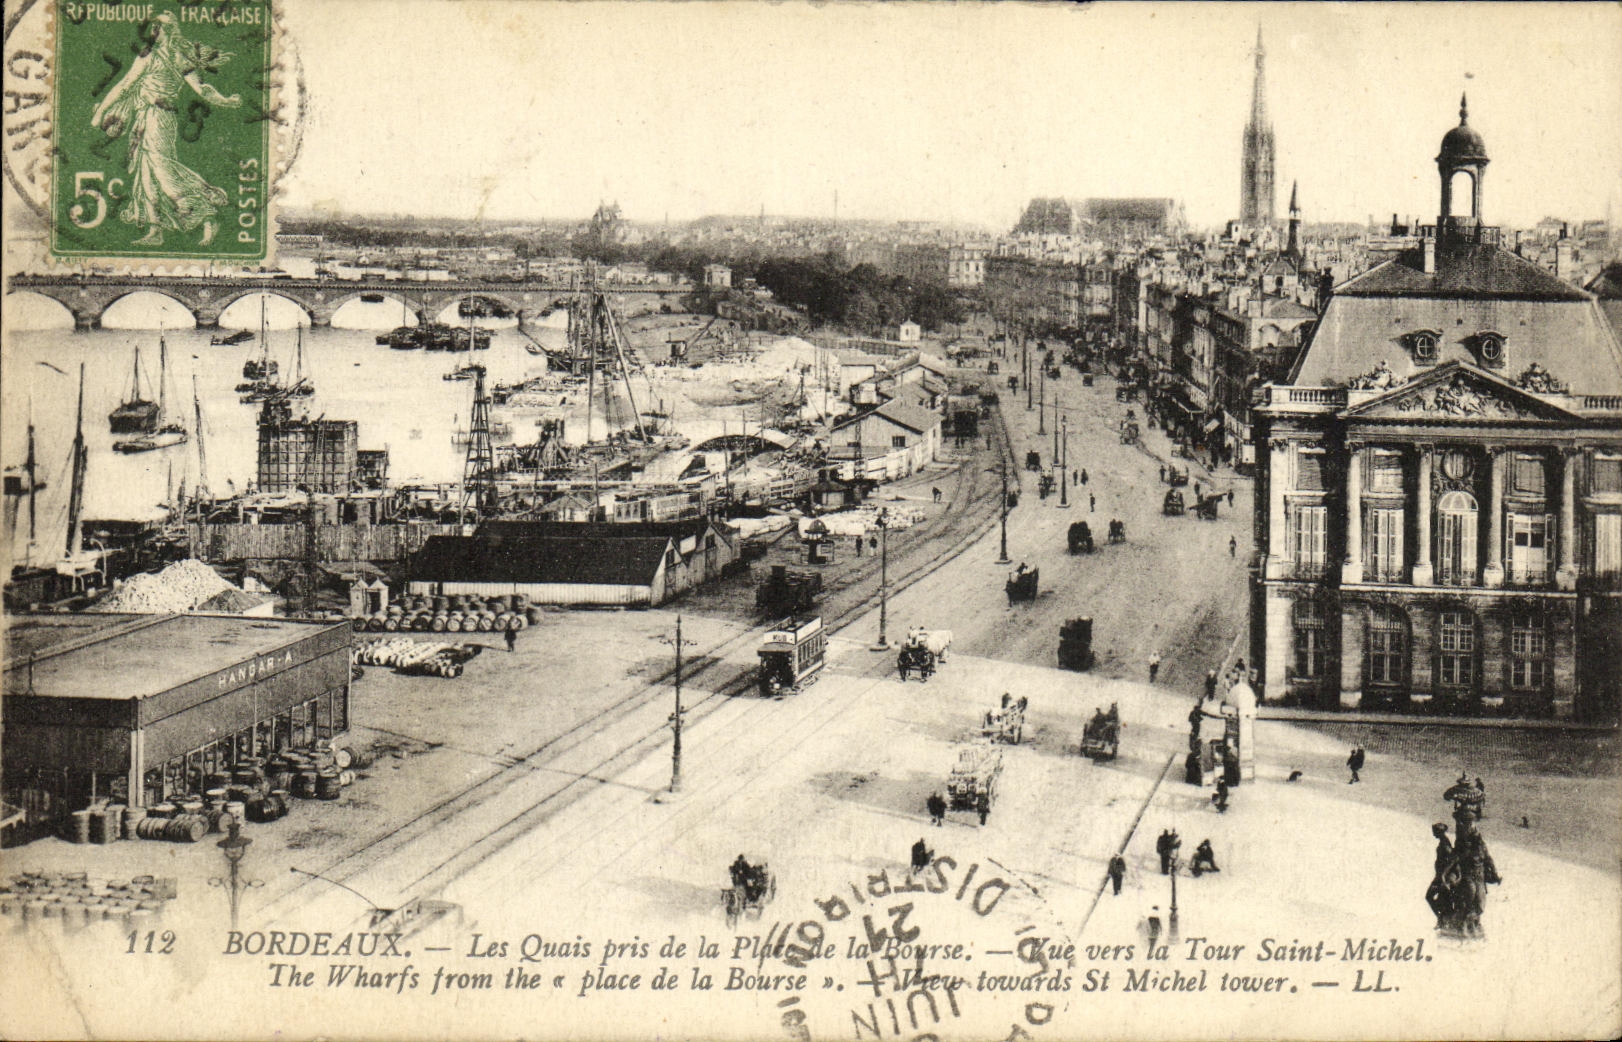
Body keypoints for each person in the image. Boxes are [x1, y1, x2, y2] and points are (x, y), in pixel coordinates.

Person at [91, 12, 242, 247]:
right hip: (150, 118)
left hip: (157, 117)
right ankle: (155, 231)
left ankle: (205, 212)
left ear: (164, 30)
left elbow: (125, 86)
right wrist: (225, 100)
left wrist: (101, 112)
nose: (152, 32)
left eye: (156, 28)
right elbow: (202, 90)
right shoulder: (171, 57)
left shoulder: (157, 56)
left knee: (162, 170)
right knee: (146, 175)